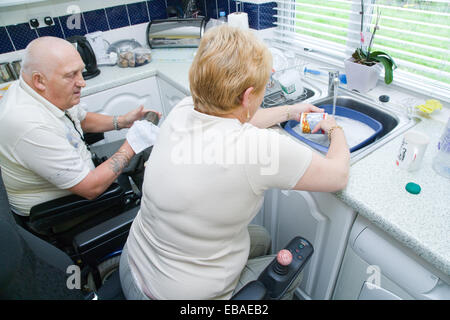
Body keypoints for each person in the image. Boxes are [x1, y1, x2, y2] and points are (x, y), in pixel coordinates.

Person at [119, 25, 350, 300]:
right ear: (247, 96)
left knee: (261, 237)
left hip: (133, 265)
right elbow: (337, 175)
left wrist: (290, 111)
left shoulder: (184, 108)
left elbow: (236, 117)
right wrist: (336, 129)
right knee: (292, 272)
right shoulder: (256, 148)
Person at [0, 36, 159, 217]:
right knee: (141, 150)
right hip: (67, 210)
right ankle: (150, 217)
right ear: (39, 80)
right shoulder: (29, 125)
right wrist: (132, 143)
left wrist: (122, 121)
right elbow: (91, 188)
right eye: (71, 75)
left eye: (80, 72)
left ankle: (152, 207)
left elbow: (80, 119)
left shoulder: (35, 91)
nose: (82, 82)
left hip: (81, 168)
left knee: (147, 150)